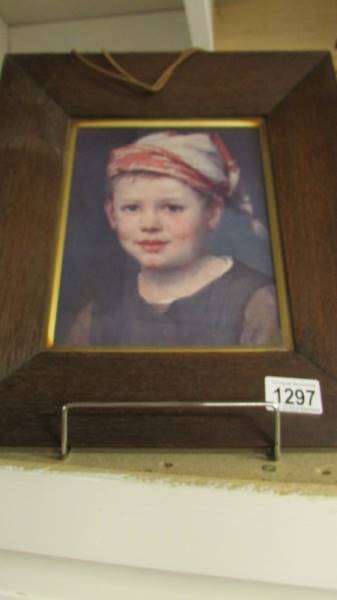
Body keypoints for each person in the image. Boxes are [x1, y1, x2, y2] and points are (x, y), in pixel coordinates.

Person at [67, 131, 280, 347]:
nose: (149, 224)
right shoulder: (98, 313)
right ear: (112, 214)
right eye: (131, 208)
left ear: (213, 212)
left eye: (172, 208)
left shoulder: (257, 303)